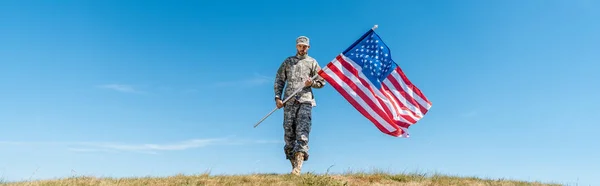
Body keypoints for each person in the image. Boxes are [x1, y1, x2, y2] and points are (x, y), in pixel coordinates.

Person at [274, 36, 326, 175]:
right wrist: (278, 98)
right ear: (296, 46)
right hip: (289, 102)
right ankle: (293, 166)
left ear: (308, 47)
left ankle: (298, 168)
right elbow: (279, 80)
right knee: (289, 134)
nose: (302, 48)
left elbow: (322, 81)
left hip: (305, 101)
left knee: (302, 133)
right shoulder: (288, 62)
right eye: (300, 46)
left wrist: (312, 83)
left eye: (305, 46)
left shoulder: (312, 62)